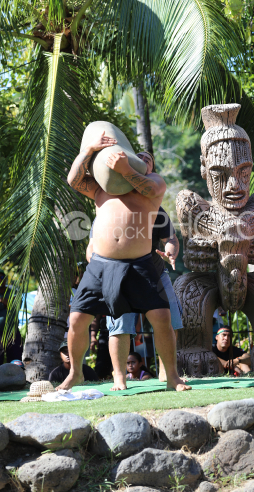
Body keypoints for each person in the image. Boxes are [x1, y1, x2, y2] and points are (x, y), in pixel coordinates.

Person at [61, 131, 190, 392]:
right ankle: (76, 373)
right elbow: (73, 180)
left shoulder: (153, 185)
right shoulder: (101, 187)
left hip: (141, 264)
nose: (141, 158)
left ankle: (173, 377)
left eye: (146, 158)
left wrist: (126, 168)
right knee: (76, 319)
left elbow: (149, 188)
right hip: (100, 265)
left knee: (162, 317)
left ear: (149, 166)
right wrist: (89, 150)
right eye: (136, 155)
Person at [86, 161, 183, 384]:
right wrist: (97, 264)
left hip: (155, 274)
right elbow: (91, 248)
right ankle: (119, 377)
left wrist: (170, 251)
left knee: (171, 322)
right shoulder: (107, 207)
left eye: (145, 163)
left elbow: (171, 239)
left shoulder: (155, 208)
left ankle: (168, 374)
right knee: (119, 327)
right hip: (118, 277)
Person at [0, 272, 22, 380]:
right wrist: (6, 303)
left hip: (12, 332)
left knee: (15, 360)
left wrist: (1, 301)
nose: (0, 279)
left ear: (6, 279)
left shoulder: (13, 291)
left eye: (2, 277)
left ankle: (16, 382)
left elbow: (16, 305)